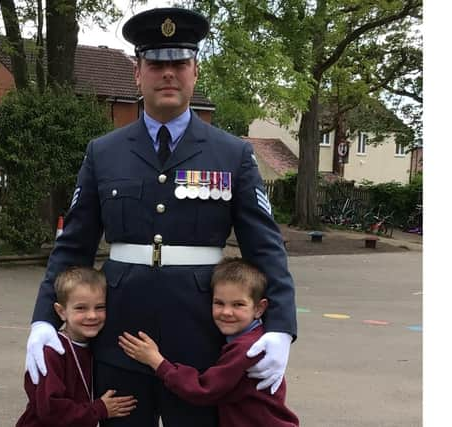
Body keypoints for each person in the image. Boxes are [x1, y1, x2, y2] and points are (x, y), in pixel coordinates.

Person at [25, 7, 297, 426]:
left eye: (178, 63)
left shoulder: (232, 153)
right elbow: (74, 244)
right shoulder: (104, 151)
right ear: (138, 73)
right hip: (121, 334)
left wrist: (279, 325)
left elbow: (265, 245)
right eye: (156, 64)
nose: (168, 73)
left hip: (200, 340)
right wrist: (44, 319)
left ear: (195, 72)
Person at [118, 258, 299, 427]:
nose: (227, 312)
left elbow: (204, 390)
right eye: (219, 303)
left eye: (238, 305)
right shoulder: (254, 337)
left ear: (259, 308)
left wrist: (156, 361)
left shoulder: (247, 349)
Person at [16, 267, 137, 427]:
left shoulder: (96, 345)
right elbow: (51, 410)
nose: (92, 315)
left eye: (100, 307)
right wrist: (99, 409)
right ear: (61, 311)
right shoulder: (51, 353)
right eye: (81, 308)